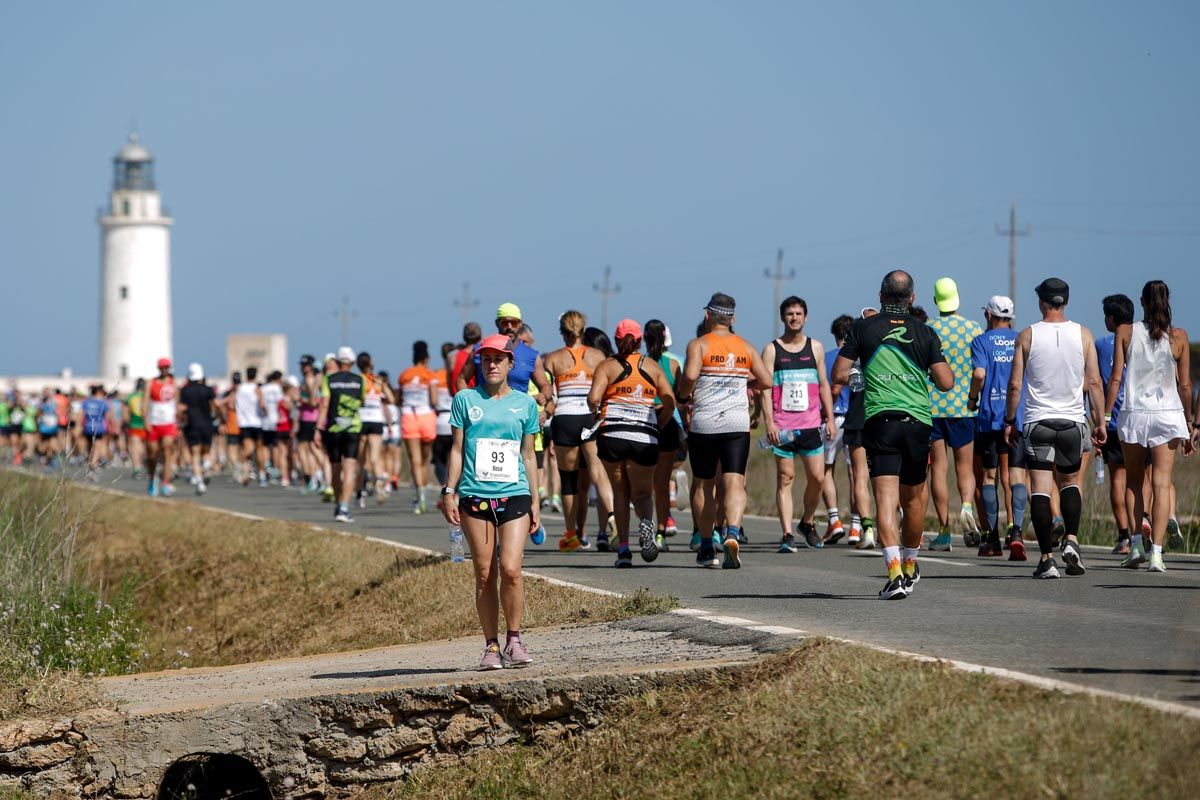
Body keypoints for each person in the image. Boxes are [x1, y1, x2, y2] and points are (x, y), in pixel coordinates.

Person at [832, 271, 954, 599]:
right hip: (917, 422)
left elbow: (839, 374)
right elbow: (946, 382)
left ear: (881, 296)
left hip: (880, 420)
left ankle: (895, 574)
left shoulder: (863, 328)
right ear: (912, 298)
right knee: (914, 500)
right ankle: (911, 565)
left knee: (885, 498)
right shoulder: (925, 332)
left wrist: (862, 375)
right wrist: (926, 366)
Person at [442, 334, 541, 671]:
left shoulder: (526, 404)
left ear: (511, 363)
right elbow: (456, 449)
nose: (492, 364)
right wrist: (448, 491)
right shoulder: (465, 399)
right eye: (486, 359)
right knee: (484, 573)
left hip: (514, 493)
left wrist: (536, 500)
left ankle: (515, 640)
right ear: (479, 364)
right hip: (474, 495)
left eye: (499, 359)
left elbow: (529, 455)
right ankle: (490, 646)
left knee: (511, 569)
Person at [1005, 278, 1107, 579]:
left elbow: (1014, 385)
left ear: (1041, 302)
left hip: (1038, 421)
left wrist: (1010, 421)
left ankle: (1047, 559)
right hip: (1073, 421)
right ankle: (1072, 540)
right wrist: (1100, 421)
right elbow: (1094, 383)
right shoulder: (1084, 335)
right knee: (1070, 482)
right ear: (1066, 301)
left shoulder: (1027, 336)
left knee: (1040, 488)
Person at [676, 292, 772, 569]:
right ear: (732, 318)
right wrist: (741, 382)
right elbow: (765, 380)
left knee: (704, 484)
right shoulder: (745, 346)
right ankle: (732, 532)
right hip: (736, 424)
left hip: (705, 423)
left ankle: (707, 546)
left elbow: (691, 375)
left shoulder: (698, 344)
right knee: (734, 481)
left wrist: (683, 397)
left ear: (707, 315)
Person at [1106, 280, 1196, 572]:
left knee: (1133, 480)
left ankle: (1134, 543)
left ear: (1142, 302)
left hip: (1135, 413)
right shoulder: (1179, 337)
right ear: (1168, 301)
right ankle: (1157, 552)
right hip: (1168, 415)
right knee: (1160, 483)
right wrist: (1190, 420)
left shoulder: (1126, 331)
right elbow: (1185, 385)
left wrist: (1104, 418)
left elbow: (1116, 379)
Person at [588, 319, 677, 566]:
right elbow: (669, 401)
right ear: (640, 341)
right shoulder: (653, 367)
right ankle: (647, 526)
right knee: (642, 493)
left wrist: (597, 410)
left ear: (616, 340)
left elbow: (594, 399)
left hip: (612, 436)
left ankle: (624, 550)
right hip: (644, 437)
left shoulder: (606, 366)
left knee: (620, 492)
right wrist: (659, 423)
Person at [762, 296, 838, 553]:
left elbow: (825, 384)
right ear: (782, 317)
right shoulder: (772, 349)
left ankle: (806, 522)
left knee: (817, 478)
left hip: (810, 424)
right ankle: (786, 534)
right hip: (783, 426)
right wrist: (769, 422)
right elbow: (764, 389)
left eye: (798, 313)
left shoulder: (815, 347)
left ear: (805, 317)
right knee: (786, 478)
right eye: (789, 314)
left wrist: (829, 417)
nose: (794, 318)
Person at [542, 310, 609, 553]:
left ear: (562, 332)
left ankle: (570, 534)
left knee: (569, 482)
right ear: (583, 330)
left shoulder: (552, 358)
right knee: (594, 474)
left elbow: (551, 395)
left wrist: (546, 415)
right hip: (589, 417)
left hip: (565, 419)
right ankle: (605, 519)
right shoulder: (598, 356)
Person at [968, 296, 1028, 560]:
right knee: (1017, 476)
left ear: (989, 315)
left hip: (990, 418)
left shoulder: (981, 341)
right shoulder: (1022, 339)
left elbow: (979, 374)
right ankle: (1017, 532)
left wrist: (972, 398)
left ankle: (992, 539)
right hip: (1017, 417)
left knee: (989, 477)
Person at [926, 277, 983, 551]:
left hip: (932, 407)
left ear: (936, 301)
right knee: (965, 466)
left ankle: (944, 530)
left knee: (938, 467)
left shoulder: (927, 329)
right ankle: (968, 507)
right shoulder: (973, 328)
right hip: (965, 407)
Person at [1095, 294, 1135, 554]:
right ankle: (1144, 527)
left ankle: (1123, 537)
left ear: (1111, 318)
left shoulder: (1101, 344)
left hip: (1112, 420)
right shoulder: (1142, 338)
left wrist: (1100, 417)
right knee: (1144, 480)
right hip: (1138, 417)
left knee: (1118, 478)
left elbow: (1098, 381)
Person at [644, 319, 686, 552]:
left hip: (645, 423)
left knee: (643, 485)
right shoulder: (673, 365)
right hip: (668, 424)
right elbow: (680, 401)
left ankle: (649, 530)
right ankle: (661, 532)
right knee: (661, 483)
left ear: (644, 339)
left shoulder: (642, 363)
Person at [317, 347, 365, 523]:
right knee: (350, 469)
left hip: (333, 429)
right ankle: (344, 507)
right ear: (352, 363)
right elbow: (362, 401)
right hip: (352, 429)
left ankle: (339, 504)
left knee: (336, 468)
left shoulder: (328, 379)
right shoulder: (360, 380)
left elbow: (323, 405)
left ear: (337, 362)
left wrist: (317, 429)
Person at [820, 314, 853, 544]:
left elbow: (823, 390)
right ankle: (858, 526)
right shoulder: (859, 359)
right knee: (856, 474)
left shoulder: (826, 358)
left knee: (825, 471)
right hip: (855, 421)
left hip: (831, 419)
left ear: (835, 336)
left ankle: (834, 520)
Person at [399, 342, 438, 514]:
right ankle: (424, 490)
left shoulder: (404, 375)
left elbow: (398, 398)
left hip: (409, 415)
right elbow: (435, 400)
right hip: (426, 416)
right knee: (424, 458)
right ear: (426, 358)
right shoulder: (430, 375)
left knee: (414, 460)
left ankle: (419, 494)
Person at [357, 352, 395, 504]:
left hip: (361, 419)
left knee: (360, 459)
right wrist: (382, 385)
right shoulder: (377, 380)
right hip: (376, 420)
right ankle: (379, 476)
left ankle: (360, 493)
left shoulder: (359, 379)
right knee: (374, 455)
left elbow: (358, 399)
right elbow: (391, 399)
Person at [180, 363, 219, 494]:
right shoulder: (208, 390)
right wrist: (219, 418)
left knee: (195, 455)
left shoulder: (185, 391)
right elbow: (215, 405)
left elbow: (182, 409)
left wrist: (181, 421)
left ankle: (199, 482)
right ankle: (207, 468)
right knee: (206, 451)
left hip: (192, 425)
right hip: (207, 424)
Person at [146, 358, 180, 497]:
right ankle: (153, 478)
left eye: (166, 367)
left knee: (167, 451)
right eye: (162, 367)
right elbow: (145, 402)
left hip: (168, 423)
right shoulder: (152, 383)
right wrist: (145, 420)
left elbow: (177, 402)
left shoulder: (174, 383)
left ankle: (166, 482)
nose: (164, 369)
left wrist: (178, 420)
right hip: (154, 422)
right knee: (153, 454)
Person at [234, 366, 266, 487]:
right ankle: (261, 474)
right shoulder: (256, 388)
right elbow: (262, 404)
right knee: (259, 449)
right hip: (256, 422)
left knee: (247, 448)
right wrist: (265, 411)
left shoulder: (240, 388)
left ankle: (245, 472)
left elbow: (235, 403)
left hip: (243, 422)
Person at [79, 384, 112, 478]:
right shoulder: (102, 402)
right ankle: (93, 465)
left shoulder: (86, 402)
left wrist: (80, 426)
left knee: (90, 445)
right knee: (97, 445)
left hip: (88, 426)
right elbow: (108, 415)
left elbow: (81, 414)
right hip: (98, 427)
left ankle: (91, 462)